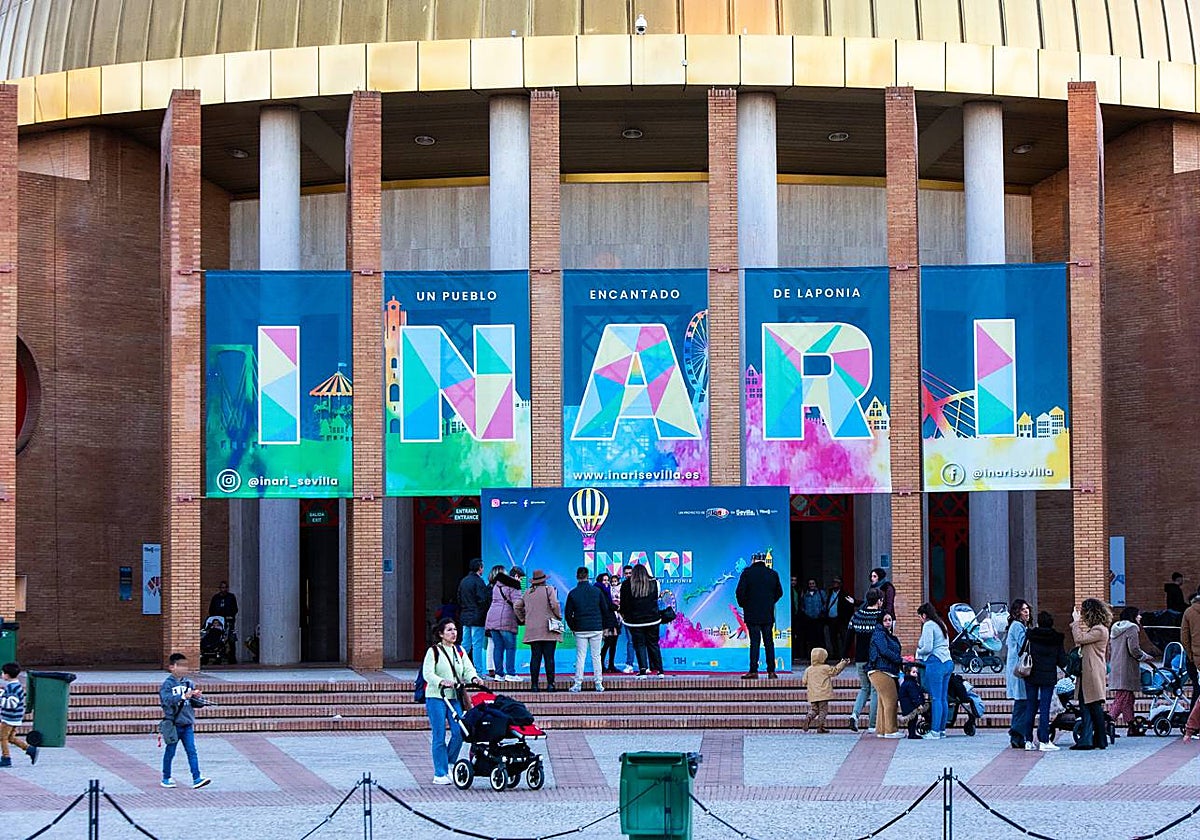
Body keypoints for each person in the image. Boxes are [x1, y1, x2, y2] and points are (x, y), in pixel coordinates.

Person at [422, 618, 484, 785]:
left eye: (455, 629)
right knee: (439, 734)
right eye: (449, 630)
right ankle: (439, 773)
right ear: (441, 634)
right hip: (436, 697)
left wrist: (474, 678)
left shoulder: (459, 650)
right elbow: (427, 673)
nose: (453, 633)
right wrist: (440, 681)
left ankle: (449, 762)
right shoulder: (433, 651)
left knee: (459, 732)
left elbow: (467, 668)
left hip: (454, 697)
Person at [159, 653, 210, 788]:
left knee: (192, 751)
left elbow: (196, 703)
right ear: (171, 667)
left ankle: (197, 777)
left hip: (187, 723)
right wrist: (182, 696)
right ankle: (166, 777)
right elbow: (166, 701)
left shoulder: (188, 683)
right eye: (179, 666)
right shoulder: (167, 684)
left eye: (184, 666)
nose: (183, 669)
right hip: (174, 723)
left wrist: (197, 697)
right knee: (170, 751)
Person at [1070, 598, 1113, 751]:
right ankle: (1092, 739)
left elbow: (1078, 639)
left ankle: (1100, 740)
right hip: (1088, 672)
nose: (1082, 616)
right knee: (1089, 707)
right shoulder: (1097, 629)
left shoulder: (1099, 630)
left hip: (1092, 673)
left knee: (1094, 707)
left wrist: (1075, 622)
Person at [735, 551, 784, 679]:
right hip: (767, 613)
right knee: (769, 642)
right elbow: (779, 592)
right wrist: (770, 602)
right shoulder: (772, 574)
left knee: (754, 643)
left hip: (752, 614)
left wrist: (745, 605)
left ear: (753, 560)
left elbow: (739, 592)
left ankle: (753, 671)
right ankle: (771, 671)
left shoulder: (747, 574)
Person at [1025, 611, 1068, 751]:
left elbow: (1022, 652)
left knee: (1030, 707)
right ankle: (1044, 741)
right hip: (1048, 677)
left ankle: (1028, 741)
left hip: (1031, 675)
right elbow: (1062, 660)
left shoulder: (1031, 635)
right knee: (1044, 708)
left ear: (1039, 622)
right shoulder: (1056, 638)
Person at [514, 569, 562, 692]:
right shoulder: (549, 589)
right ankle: (550, 685)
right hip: (548, 629)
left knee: (535, 657)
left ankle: (534, 685)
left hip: (533, 629)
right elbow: (555, 604)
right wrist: (558, 616)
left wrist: (523, 619)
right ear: (544, 580)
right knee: (549, 658)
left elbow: (517, 606)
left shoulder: (528, 592)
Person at [844, 588, 884, 732]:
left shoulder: (857, 615)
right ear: (879, 601)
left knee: (864, 688)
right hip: (875, 658)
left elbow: (848, 637)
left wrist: (845, 655)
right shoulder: (881, 616)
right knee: (874, 690)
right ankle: (872, 724)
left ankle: (855, 715)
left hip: (860, 658)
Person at [565, 566, 610, 692]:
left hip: (580, 629)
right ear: (588, 576)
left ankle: (578, 684)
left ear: (577, 577)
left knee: (580, 657)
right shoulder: (597, 591)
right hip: (596, 627)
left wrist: (574, 627)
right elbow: (605, 610)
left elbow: (568, 614)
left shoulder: (573, 593)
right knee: (596, 656)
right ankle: (598, 683)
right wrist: (603, 626)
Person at [1109, 606, 1154, 731]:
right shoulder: (1132, 628)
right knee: (1123, 697)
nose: (1140, 617)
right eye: (1138, 614)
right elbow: (1134, 649)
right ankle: (1108, 721)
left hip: (1117, 665)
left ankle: (1131, 724)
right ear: (1132, 616)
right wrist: (1145, 657)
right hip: (1127, 668)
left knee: (1128, 697)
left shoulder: (1115, 628)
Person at [618, 564, 663, 678]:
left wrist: (624, 615)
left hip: (634, 621)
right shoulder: (655, 583)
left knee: (639, 645)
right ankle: (660, 670)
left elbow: (623, 604)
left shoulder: (626, 584)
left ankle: (643, 670)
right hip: (652, 619)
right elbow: (656, 598)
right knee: (653, 644)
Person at [916, 602, 953, 740]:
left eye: (920, 617)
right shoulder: (941, 624)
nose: (920, 620)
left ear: (924, 615)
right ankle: (942, 730)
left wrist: (918, 652)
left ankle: (935, 731)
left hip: (935, 663)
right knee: (943, 698)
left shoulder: (928, 625)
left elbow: (927, 648)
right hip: (947, 662)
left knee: (935, 698)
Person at [868, 613, 904, 738]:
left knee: (883, 702)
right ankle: (891, 730)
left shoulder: (885, 634)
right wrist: (899, 659)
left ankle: (882, 730)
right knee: (891, 700)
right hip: (881, 670)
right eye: (885, 620)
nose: (888, 622)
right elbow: (884, 651)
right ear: (880, 622)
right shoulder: (879, 634)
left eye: (890, 620)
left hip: (884, 670)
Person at [485, 568, 524, 683]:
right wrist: (522, 618)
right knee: (510, 647)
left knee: (498, 647)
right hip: (506, 619)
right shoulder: (514, 585)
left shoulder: (497, 584)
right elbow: (517, 604)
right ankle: (511, 673)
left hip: (492, 617)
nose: (521, 580)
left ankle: (499, 674)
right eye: (521, 578)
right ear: (516, 576)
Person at [800, 648, 850, 733]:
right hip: (823, 694)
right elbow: (835, 671)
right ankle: (820, 727)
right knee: (823, 711)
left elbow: (804, 681)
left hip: (812, 695)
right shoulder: (825, 668)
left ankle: (809, 717)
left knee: (814, 710)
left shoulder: (808, 669)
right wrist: (843, 663)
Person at [1005, 599, 1033, 749]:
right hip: (1019, 669)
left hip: (1016, 668)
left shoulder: (1019, 625)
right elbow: (1024, 644)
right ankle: (1016, 734)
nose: (1026, 612)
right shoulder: (1017, 626)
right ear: (1017, 612)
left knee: (1021, 702)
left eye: (1027, 609)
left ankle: (1018, 733)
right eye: (1023, 610)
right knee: (1022, 702)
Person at [456, 558, 491, 673]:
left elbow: (459, 598)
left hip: (465, 616)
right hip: (477, 617)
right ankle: (478, 672)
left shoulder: (464, 581)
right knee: (477, 645)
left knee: (465, 644)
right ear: (480, 568)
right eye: (482, 567)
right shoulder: (479, 582)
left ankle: (459, 670)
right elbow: (483, 600)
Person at [0, 662, 37, 767]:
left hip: (9, 718)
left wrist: (1, 699)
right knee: (10, 738)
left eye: (2, 673)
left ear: (7, 675)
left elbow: (12, 703)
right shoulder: (15, 686)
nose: (2, 675)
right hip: (15, 717)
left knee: (2, 738)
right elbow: (9, 697)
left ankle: (6, 758)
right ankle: (29, 749)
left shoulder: (12, 687)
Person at [595, 572, 621, 673]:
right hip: (606, 620)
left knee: (613, 643)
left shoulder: (608, 590)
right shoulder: (599, 590)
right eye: (604, 580)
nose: (606, 582)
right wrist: (617, 607)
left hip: (612, 620)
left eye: (607, 580)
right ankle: (601, 665)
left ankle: (611, 664)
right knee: (607, 643)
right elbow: (606, 605)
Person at [207, 582, 239, 663]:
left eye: (225, 588)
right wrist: (215, 618)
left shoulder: (231, 597)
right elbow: (211, 609)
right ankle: (217, 656)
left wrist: (230, 615)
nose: (223, 589)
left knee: (231, 638)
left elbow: (235, 608)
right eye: (222, 588)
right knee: (217, 637)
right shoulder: (216, 597)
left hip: (228, 620)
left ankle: (232, 658)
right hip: (218, 621)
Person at [898, 663, 930, 739]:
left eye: (916, 672)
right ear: (908, 672)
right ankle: (912, 734)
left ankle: (912, 733)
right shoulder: (910, 683)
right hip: (910, 705)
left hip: (909, 705)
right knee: (913, 719)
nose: (916, 674)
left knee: (913, 720)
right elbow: (914, 695)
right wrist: (919, 704)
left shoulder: (910, 682)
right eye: (913, 672)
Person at [615, 565, 638, 674]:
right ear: (624, 574)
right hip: (628, 618)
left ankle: (645, 666)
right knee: (631, 641)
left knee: (642, 642)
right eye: (627, 573)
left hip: (640, 618)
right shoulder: (623, 585)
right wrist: (623, 614)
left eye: (630, 573)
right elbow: (623, 602)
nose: (628, 575)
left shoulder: (639, 584)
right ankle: (629, 664)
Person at [825, 577, 855, 656]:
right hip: (831, 619)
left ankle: (844, 655)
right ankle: (835, 654)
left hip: (841, 620)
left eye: (837, 582)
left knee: (843, 638)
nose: (835, 584)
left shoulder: (844, 594)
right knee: (832, 638)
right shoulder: (829, 593)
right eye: (834, 582)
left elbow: (850, 607)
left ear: (840, 584)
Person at [1181, 591, 1200, 708]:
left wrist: (1191, 656)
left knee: (1197, 689)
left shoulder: (1189, 612)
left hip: (1196, 657)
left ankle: (1193, 723)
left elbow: (1184, 638)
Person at [800, 579, 825, 662]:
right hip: (809, 619)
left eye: (813, 583)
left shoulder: (821, 593)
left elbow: (825, 603)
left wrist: (821, 611)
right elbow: (802, 605)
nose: (811, 585)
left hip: (818, 619)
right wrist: (805, 612)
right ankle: (811, 656)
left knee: (820, 638)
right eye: (810, 584)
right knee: (810, 639)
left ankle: (822, 656)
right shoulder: (805, 594)